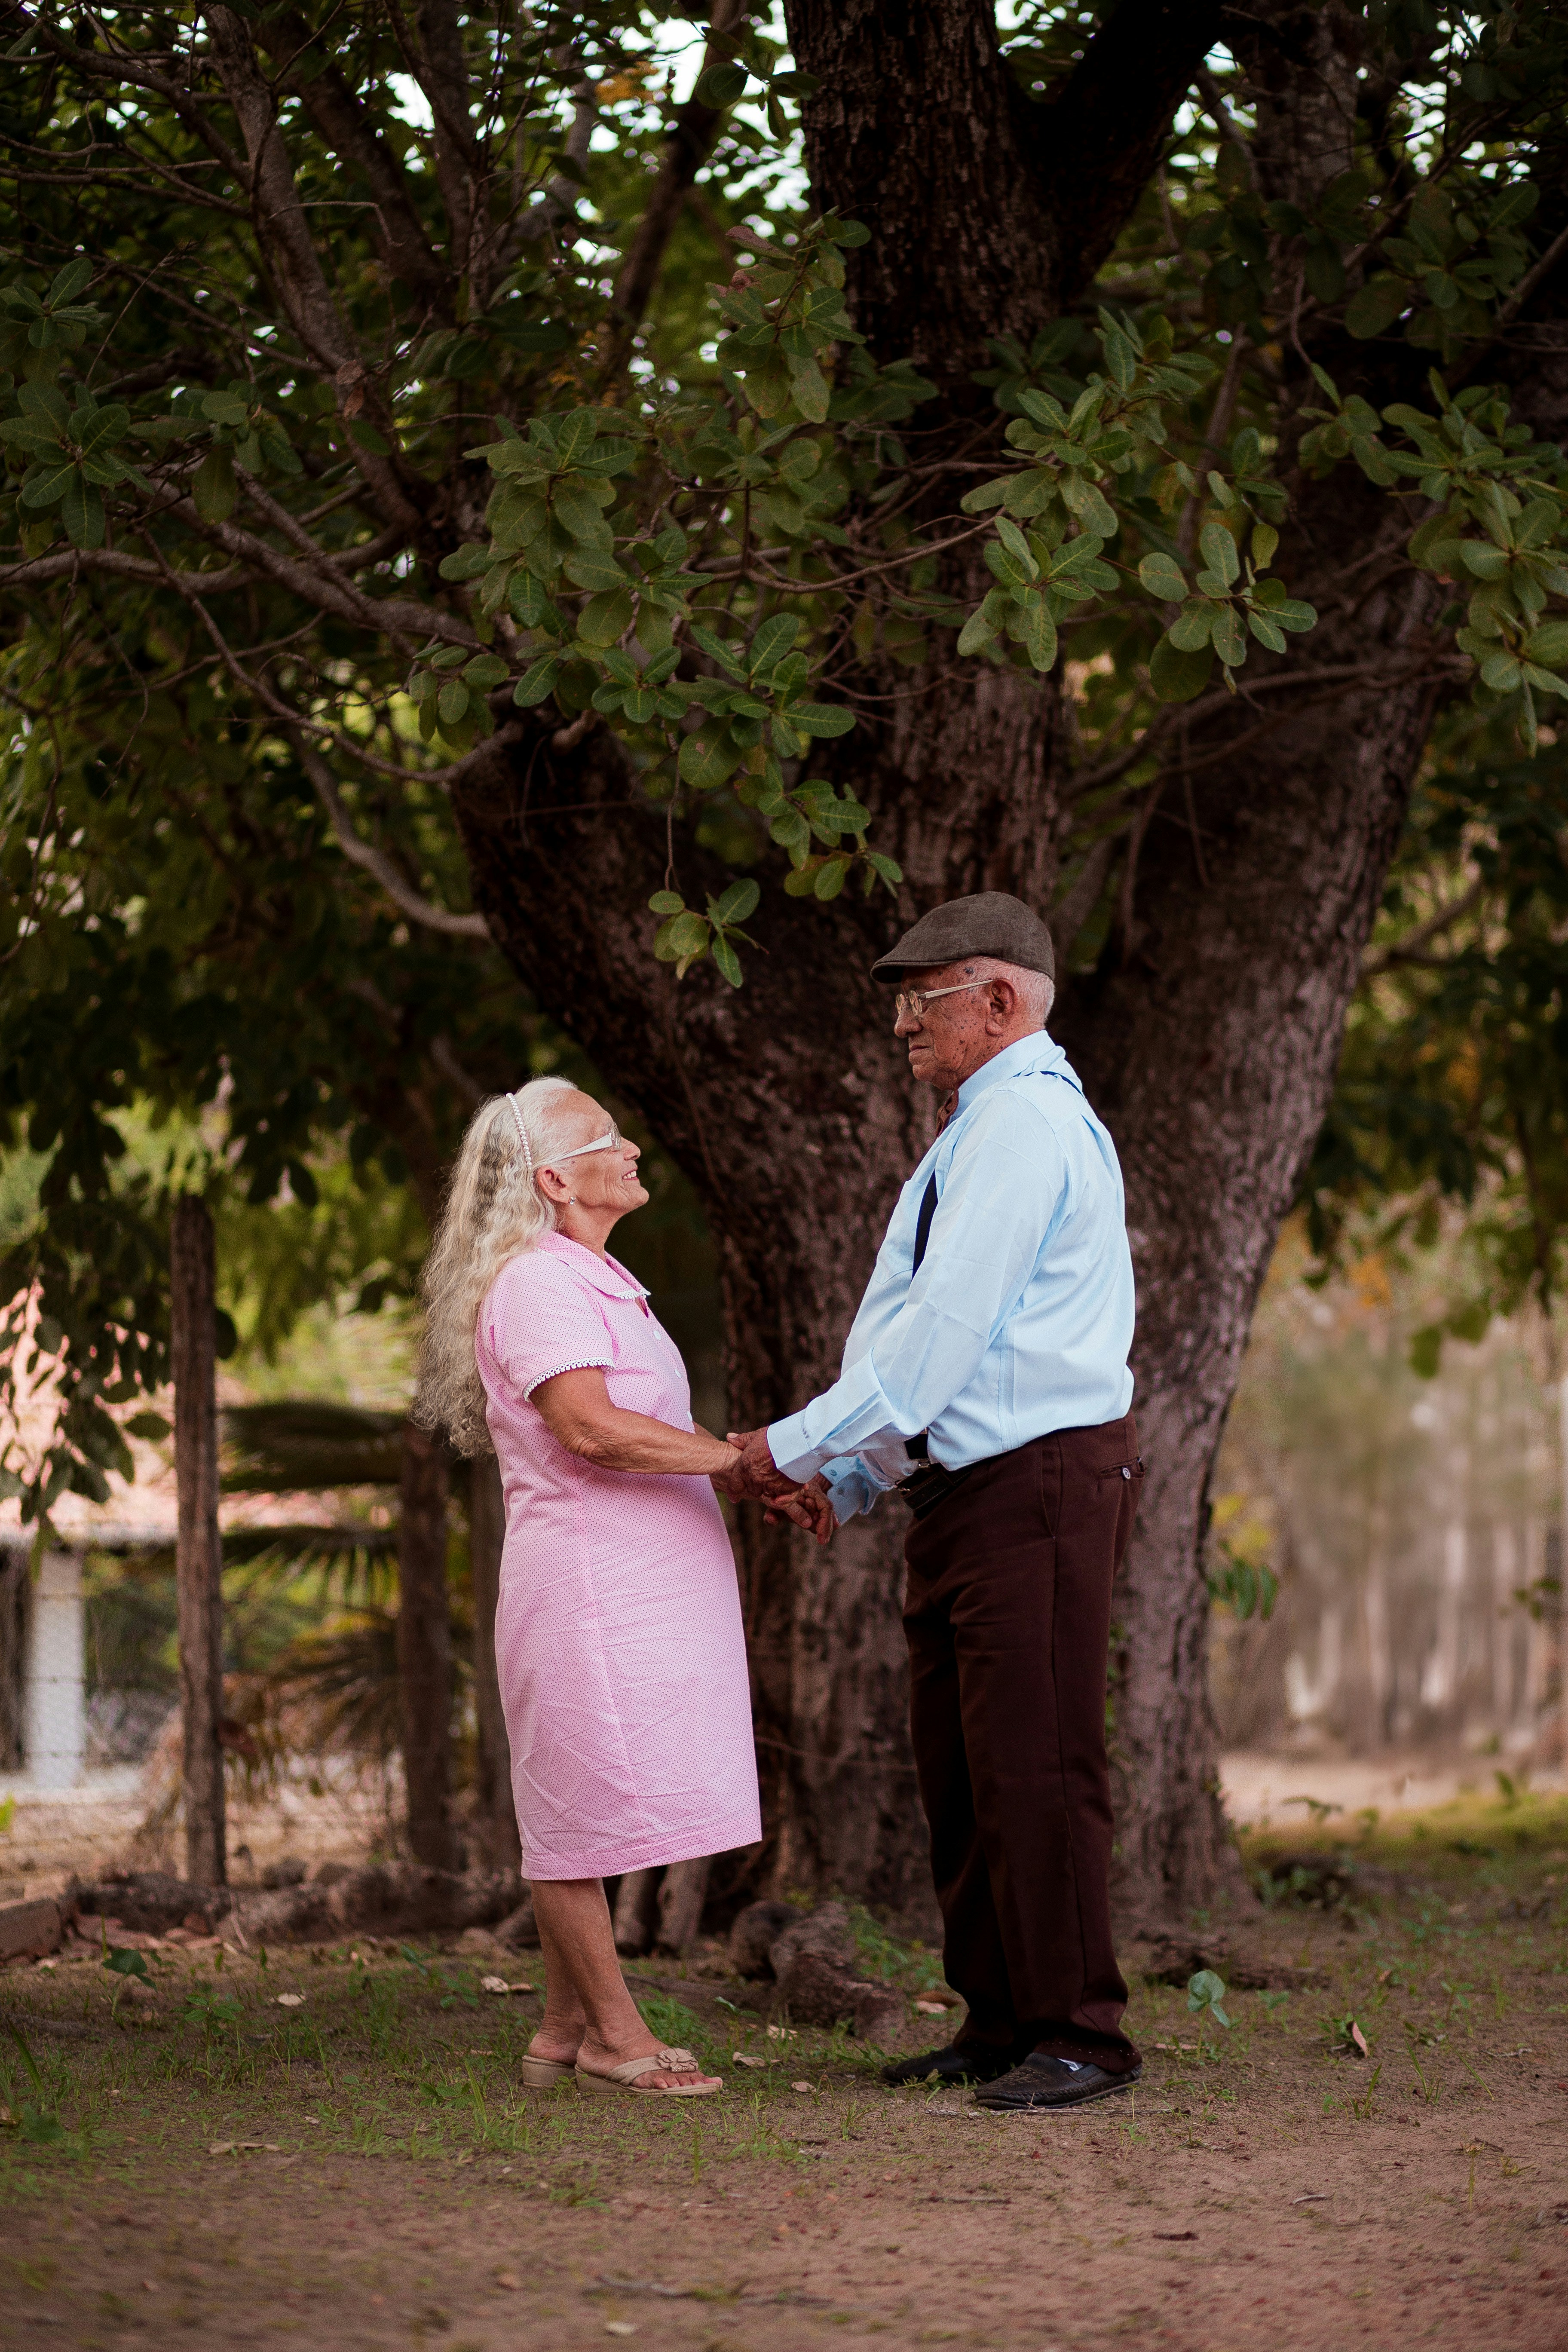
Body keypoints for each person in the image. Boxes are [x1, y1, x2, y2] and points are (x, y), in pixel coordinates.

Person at [725, 892, 1143, 2111]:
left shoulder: (1021, 1129)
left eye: (925, 998)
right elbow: (934, 1350)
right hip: (970, 1490)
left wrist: (787, 1450)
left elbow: (945, 1344)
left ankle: (1084, 2036)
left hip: (1042, 1482)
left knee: (1038, 1760)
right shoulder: (977, 1130)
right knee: (963, 1765)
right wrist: (852, 1476)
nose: (904, 1023)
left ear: (1000, 1000)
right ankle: (1003, 2020)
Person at [414, 1075, 827, 2099]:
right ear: (556, 1178)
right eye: (607, 1136)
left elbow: (643, 1434)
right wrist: (742, 1464)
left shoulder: (593, 1278)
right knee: (575, 1816)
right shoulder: (538, 1286)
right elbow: (592, 1430)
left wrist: (742, 1476)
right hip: (588, 1593)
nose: (631, 1146)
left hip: (637, 1589)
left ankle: (562, 2027)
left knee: (595, 1799)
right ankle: (614, 2033)